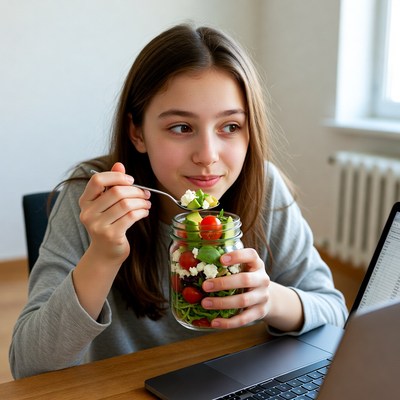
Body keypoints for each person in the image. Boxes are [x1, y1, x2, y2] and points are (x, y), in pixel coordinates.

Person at [10, 23, 347, 379]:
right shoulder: (90, 196)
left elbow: (334, 314)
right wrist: (103, 255)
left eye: (230, 126)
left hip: (237, 381)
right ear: (137, 132)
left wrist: (270, 299)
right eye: (181, 128)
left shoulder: (263, 186)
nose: (207, 155)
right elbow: (29, 366)